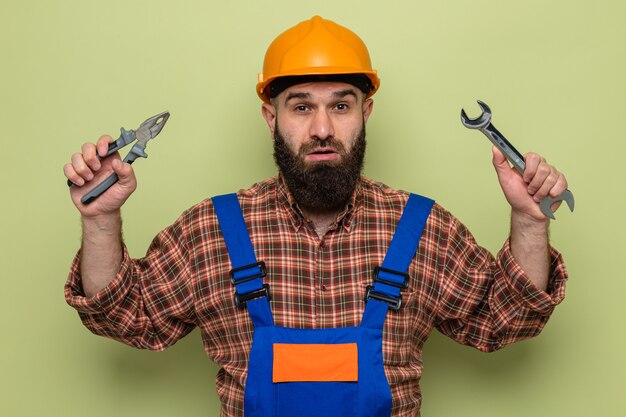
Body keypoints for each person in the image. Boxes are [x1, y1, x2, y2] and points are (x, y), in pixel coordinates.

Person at [63, 15, 568, 417]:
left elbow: (507, 321)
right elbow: (125, 319)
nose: (322, 128)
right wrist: (100, 220)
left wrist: (529, 220)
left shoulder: (423, 228)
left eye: (341, 105)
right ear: (271, 116)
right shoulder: (210, 230)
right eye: (301, 107)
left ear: (366, 111)